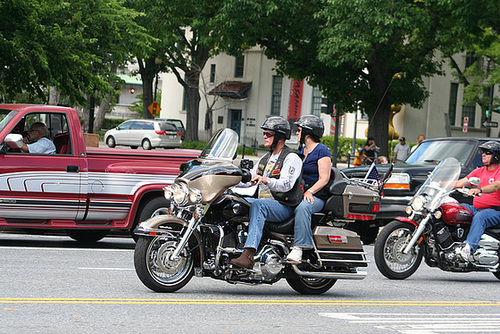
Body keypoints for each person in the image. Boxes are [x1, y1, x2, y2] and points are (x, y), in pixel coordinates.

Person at [230, 116, 303, 268]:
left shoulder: (291, 158)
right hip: (265, 204)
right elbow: (251, 177)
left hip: (283, 206)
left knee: (258, 205)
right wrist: (231, 180)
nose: (264, 136)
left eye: (268, 134)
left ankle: (248, 254)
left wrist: (265, 180)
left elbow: (286, 185)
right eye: (264, 133)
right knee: (230, 202)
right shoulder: (265, 158)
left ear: (280, 137)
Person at [286, 115, 331, 263]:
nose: (297, 133)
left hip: (316, 196)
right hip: (300, 193)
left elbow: (324, 178)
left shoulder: (322, 150)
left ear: (308, 133)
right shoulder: (302, 150)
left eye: (299, 130)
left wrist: (310, 191)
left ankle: (300, 247)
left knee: (303, 208)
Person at [454, 141, 500, 262]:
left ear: (496, 155)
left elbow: (495, 186)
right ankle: (452, 243)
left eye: (487, 153)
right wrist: (439, 184)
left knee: (480, 217)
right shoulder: (479, 171)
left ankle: (468, 248)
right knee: (456, 208)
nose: (483, 155)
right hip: (476, 208)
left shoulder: (499, 171)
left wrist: (479, 189)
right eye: (483, 152)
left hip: (494, 210)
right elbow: (460, 183)